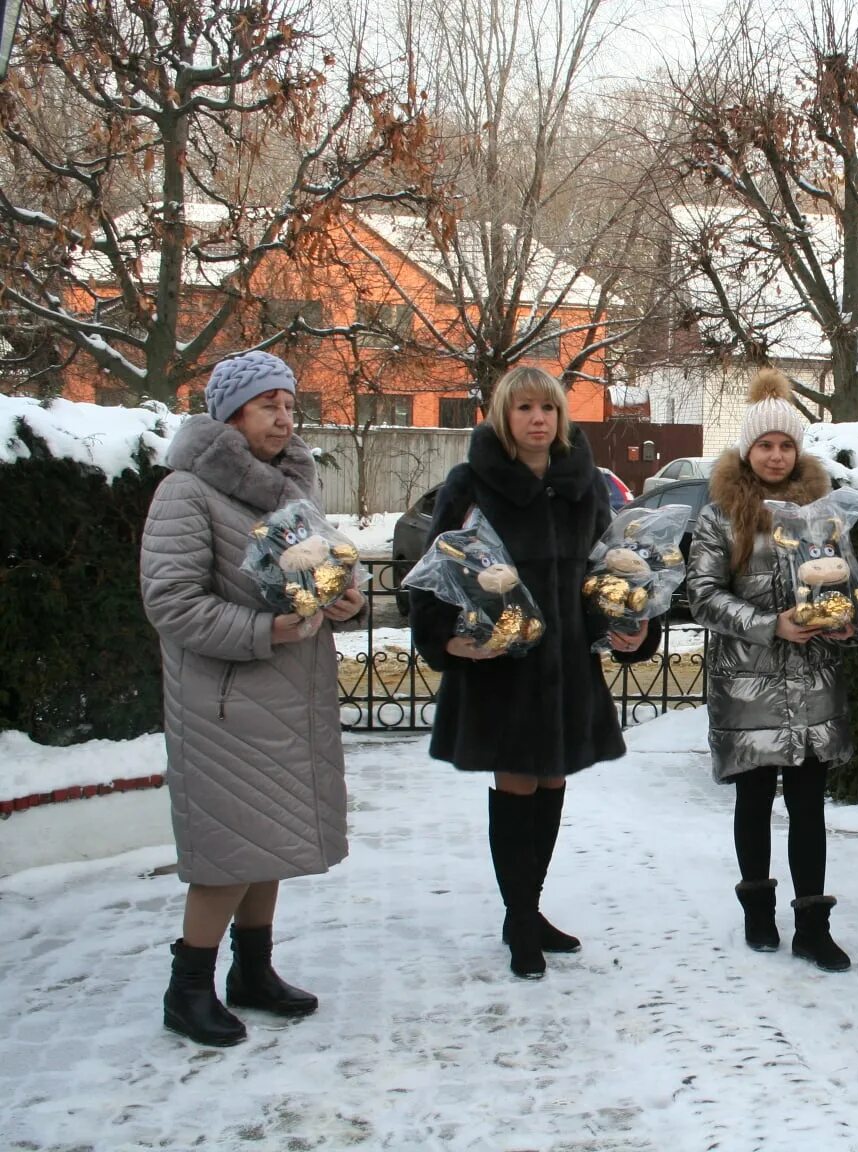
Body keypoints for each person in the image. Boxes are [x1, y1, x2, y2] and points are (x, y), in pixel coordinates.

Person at [140, 350, 367, 1046]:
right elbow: (171, 602)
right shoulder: (187, 491)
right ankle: (188, 990)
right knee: (227, 854)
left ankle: (253, 972)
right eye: (268, 403)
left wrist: (342, 602)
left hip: (286, 700)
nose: (283, 415)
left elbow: (317, 575)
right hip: (225, 703)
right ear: (230, 414)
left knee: (267, 843)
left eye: (290, 404)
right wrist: (265, 629)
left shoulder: (289, 489)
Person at [409, 365, 658, 981]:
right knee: (516, 785)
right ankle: (519, 919)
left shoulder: (585, 485)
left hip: (568, 665)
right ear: (503, 417)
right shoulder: (470, 485)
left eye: (547, 408)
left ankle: (530, 906)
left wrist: (630, 623)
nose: (537, 419)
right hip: (502, 667)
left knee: (552, 786)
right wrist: (447, 642)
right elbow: (435, 576)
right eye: (523, 409)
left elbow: (609, 570)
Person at [686, 367, 854, 973]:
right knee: (754, 802)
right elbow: (702, 595)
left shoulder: (824, 513)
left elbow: (844, 585)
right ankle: (759, 911)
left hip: (813, 684)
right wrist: (769, 625)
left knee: (810, 806)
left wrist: (846, 619)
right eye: (766, 445)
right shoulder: (718, 517)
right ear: (747, 451)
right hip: (747, 684)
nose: (777, 455)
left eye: (786, 445)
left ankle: (813, 924)